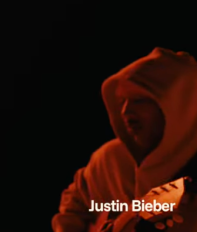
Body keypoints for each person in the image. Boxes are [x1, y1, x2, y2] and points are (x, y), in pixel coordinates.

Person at [52, 48, 197, 232]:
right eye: (122, 101)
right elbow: (74, 206)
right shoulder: (109, 160)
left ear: (177, 105)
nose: (125, 111)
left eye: (139, 100)